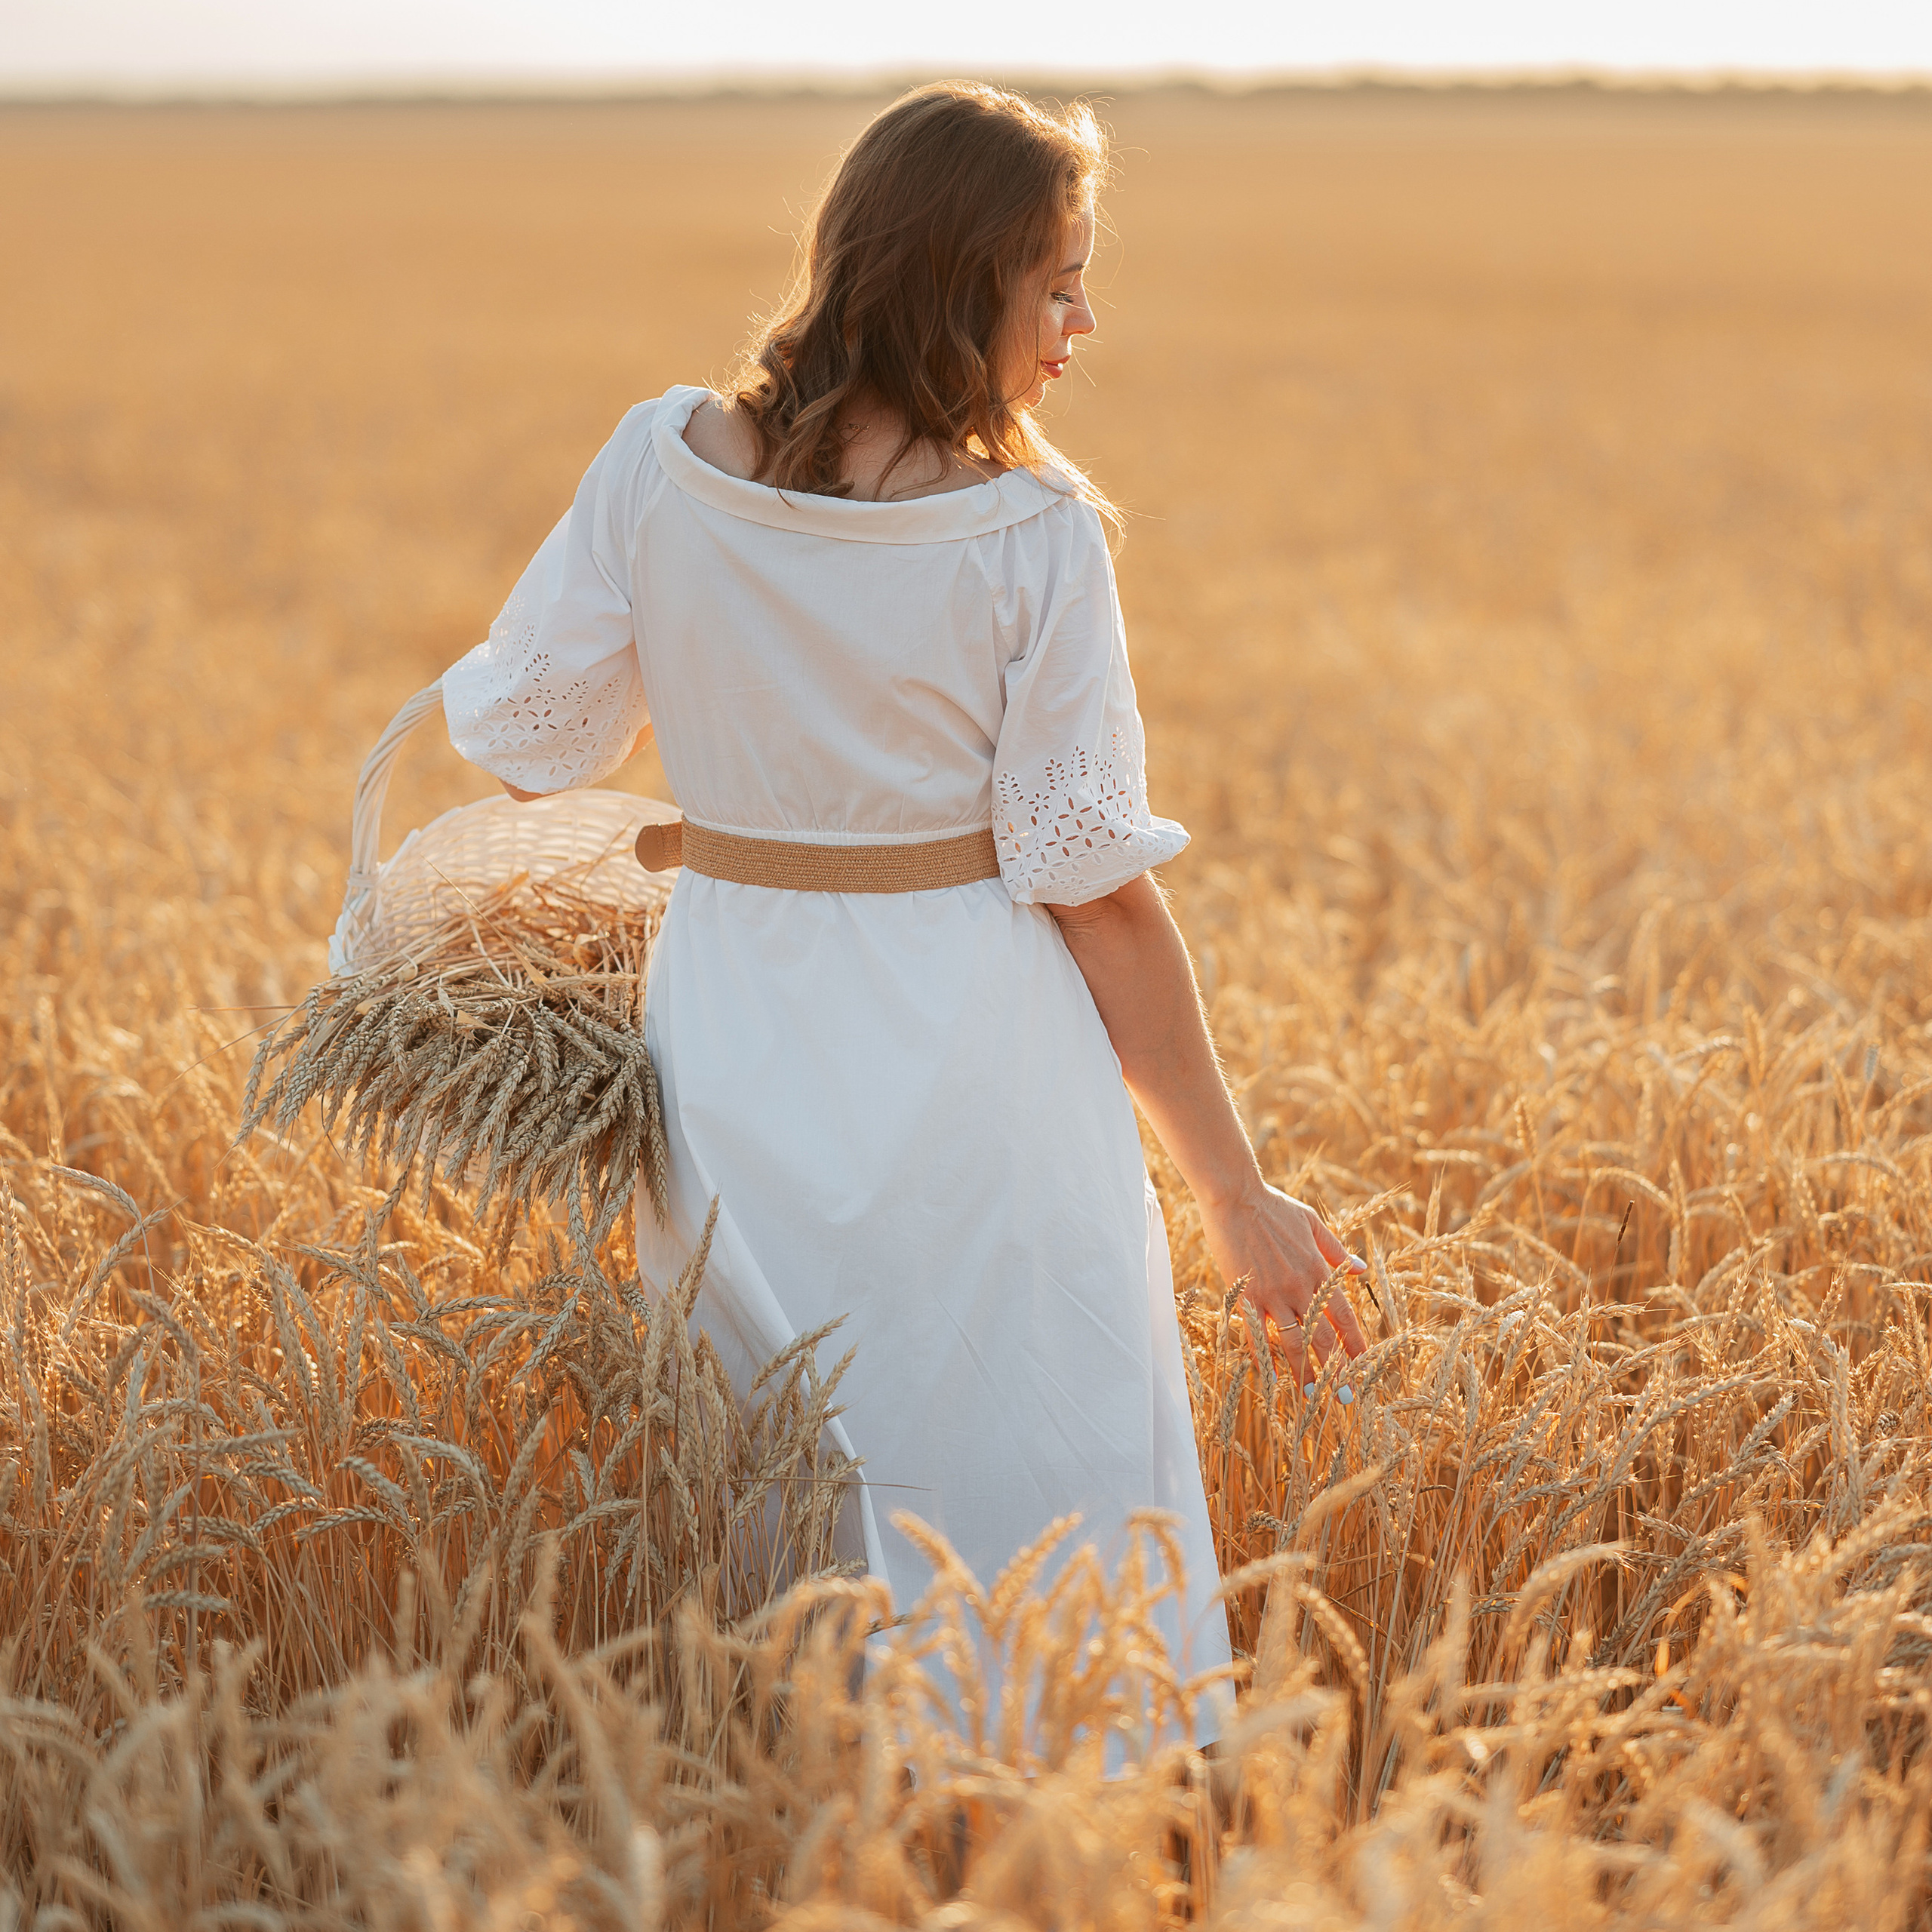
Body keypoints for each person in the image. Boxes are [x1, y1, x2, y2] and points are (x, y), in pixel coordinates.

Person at [441, 82, 1367, 1704]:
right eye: (1056, 279)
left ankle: (775, 1811)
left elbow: (532, 742)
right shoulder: (1034, 532)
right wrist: (1233, 1189)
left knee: (771, 1475)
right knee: (1025, 1477)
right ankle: (1025, 1816)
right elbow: (1093, 890)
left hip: (728, 1032)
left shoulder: (657, 460)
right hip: (974, 1053)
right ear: (960, 276)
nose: (1082, 319)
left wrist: (740, 663)